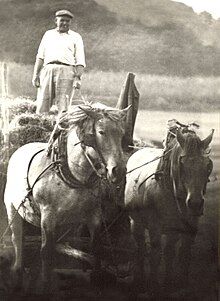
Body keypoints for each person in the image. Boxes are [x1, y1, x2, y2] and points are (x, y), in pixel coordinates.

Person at [32, 9, 86, 113]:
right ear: (56, 21)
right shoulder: (48, 34)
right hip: (48, 70)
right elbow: (40, 56)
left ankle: (62, 127)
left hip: (66, 71)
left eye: (67, 21)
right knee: (43, 102)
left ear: (70, 22)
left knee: (63, 105)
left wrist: (78, 78)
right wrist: (35, 75)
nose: (65, 23)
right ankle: (43, 125)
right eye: (62, 20)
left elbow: (80, 60)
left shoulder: (76, 37)